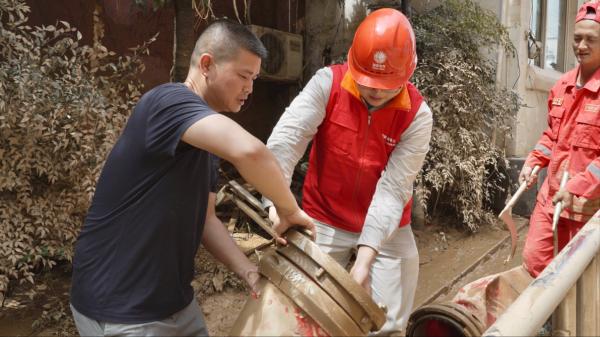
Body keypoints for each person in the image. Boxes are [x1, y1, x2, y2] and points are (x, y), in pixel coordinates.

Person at [69, 20, 314, 336]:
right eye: (243, 76)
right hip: (121, 305)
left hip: (173, 302)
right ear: (207, 64)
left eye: (254, 78)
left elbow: (206, 219)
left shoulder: (203, 139)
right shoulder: (167, 102)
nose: (250, 88)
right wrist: (289, 209)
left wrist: (248, 271)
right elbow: (252, 152)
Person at [264, 8, 433, 335]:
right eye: (369, 81)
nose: (376, 91)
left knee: (387, 322)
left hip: (389, 228)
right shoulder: (328, 83)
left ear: (407, 75)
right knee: (302, 309)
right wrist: (276, 206)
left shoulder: (417, 115)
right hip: (323, 217)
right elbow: (285, 143)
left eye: (387, 84)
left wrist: (365, 261)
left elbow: (393, 190)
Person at [520, 1, 600, 278]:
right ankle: (546, 321)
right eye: (577, 38)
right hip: (552, 196)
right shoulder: (561, 86)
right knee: (535, 261)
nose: (581, 46)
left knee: (576, 277)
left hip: (586, 209)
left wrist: (577, 187)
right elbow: (552, 136)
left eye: (591, 39)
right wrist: (533, 162)